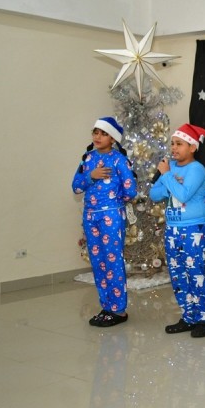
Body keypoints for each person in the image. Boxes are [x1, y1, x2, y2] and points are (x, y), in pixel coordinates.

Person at [150, 123, 205, 338]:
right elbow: (154, 194)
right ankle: (188, 316)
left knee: (195, 272)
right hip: (173, 228)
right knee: (178, 274)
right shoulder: (170, 169)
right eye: (172, 144)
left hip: (194, 227)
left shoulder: (196, 169)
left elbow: (184, 194)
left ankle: (204, 319)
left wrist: (169, 179)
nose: (174, 148)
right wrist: (170, 180)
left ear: (193, 147)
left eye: (179, 144)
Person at [72, 117, 137, 327]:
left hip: (111, 216)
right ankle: (107, 306)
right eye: (96, 132)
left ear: (113, 138)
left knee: (113, 261)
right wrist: (91, 176)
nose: (98, 137)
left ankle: (118, 310)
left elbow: (131, 190)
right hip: (91, 217)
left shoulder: (119, 160)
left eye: (103, 133)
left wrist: (114, 203)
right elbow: (76, 187)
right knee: (98, 262)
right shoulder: (88, 158)